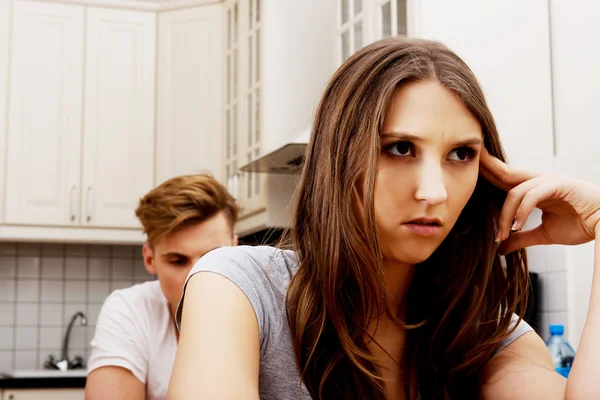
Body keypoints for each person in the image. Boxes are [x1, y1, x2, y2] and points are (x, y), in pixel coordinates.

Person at [168, 37, 600, 400]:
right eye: (399, 148)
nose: (433, 191)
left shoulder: (488, 339)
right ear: (337, 159)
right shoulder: (239, 289)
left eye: (461, 154)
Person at [85, 174, 239, 400]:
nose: (196, 279)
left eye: (214, 258)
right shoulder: (131, 309)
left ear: (236, 251)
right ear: (150, 259)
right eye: (178, 261)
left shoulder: (265, 312)